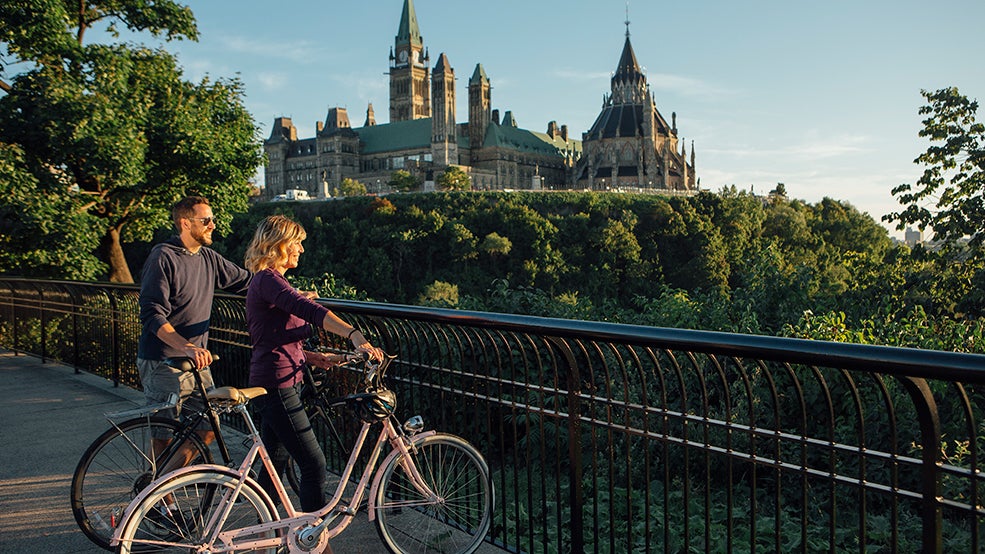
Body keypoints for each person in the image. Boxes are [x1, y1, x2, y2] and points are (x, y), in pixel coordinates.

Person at [244, 215, 382, 552]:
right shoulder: (268, 280)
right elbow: (306, 309)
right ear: (279, 245)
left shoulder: (271, 282)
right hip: (278, 384)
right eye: (297, 243)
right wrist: (353, 334)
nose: (302, 249)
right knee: (313, 463)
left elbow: (276, 336)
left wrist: (315, 358)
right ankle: (314, 544)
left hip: (277, 377)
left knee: (273, 468)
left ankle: (264, 540)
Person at [137, 196, 252, 466]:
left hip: (197, 362)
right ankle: (162, 503)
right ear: (185, 223)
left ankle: (163, 484)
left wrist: (291, 295)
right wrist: (185, 346)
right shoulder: (163, 256)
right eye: (206, 220)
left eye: (213, 219)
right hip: (163, 360)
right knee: (163, 434)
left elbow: (247, 283)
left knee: (208, 427)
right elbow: (152, 313)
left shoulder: (208, 257)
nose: (213, 225)